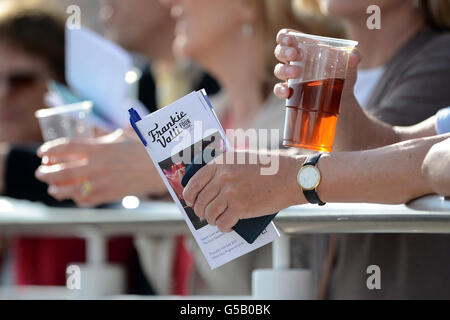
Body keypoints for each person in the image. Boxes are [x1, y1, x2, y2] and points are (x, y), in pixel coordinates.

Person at [36, 0, 343, 295]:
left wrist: (172, 173)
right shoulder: (202, 118)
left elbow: (263, 285)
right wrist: (155, 183)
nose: (169, 1)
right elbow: (170, 282)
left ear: (247, 4)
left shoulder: (305, 123)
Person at [271, 0, 450, 299]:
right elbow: (384, 150)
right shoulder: (327, 62)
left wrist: (291, 179)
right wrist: (336, 92)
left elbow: (384, 170)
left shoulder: (441, 57)